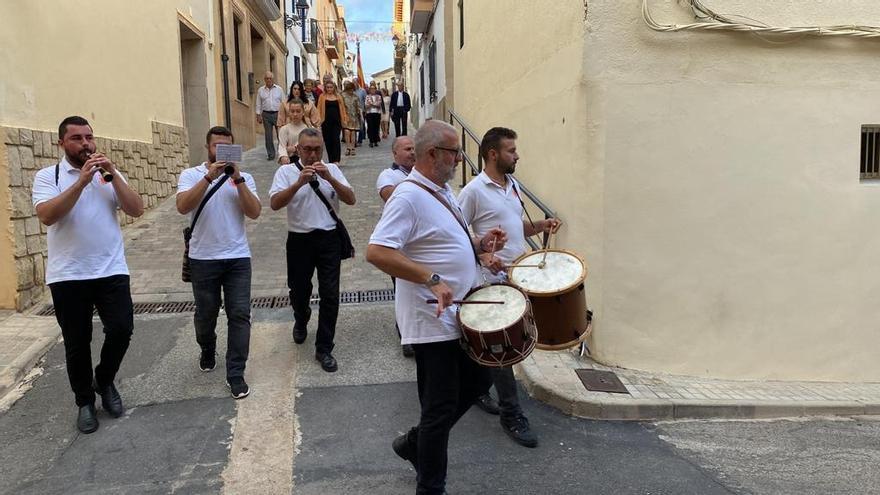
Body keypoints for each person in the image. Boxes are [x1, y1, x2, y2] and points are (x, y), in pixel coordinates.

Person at [366, 120, 507, 495]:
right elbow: (377, 251)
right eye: (455, 153)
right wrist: (431, 278)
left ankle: (416, 443)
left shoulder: (442, 192)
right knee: (439, 408)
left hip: (459, 314)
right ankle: (431, 486)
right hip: (432, 318)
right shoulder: (407, 196)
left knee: (478, 380)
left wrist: (480, 244)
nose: (460, 159)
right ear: (433, 155)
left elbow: (444, 242)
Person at [32, 116, 145, 433]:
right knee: (77, 343)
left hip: (110, 269)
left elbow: (136, 209)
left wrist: (114, 175)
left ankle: (104, 380)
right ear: (61, 143)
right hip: (68, 274)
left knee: (122, 329)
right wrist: (81, 182)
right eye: (77, 138)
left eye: (89, 137)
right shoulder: (48, 176)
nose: (86, 144)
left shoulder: (108, 175)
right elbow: (47, 216)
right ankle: (84, 402)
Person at [458, 127, 561, 448]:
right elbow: (457, 235)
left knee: (499, 347)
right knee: (504, 351)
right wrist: (485, 255)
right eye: (511, 150)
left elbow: (516, 227)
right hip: (492, 282)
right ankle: (511, 413)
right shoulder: (473, 191)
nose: (517, 156)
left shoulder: (512, 185)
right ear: (493, 154)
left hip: (518, 278)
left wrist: (539, 226)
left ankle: (474, 388)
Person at [176, 126, 261, 399]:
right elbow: (183, 206)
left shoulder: (244, 177)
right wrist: (207, 177)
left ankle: (235, 373)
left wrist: (238, 180)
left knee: (239, 314)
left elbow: (255, 212)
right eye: (217, 147)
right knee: (206, 313)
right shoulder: (191, 175)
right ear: (208, 148)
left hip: (237, 257)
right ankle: (207, 346)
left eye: (227, 147)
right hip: (203, 259)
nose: (221, 152)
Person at [269, 128, 356, 373]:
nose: (312, 154)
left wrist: (330, 178)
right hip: (299, 239)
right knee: (298, 290)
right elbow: (275, 204)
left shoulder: (333, 170)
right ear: (297, 149)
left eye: (317, 149)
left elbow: (350, 199)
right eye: (307, 149)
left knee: (330, 294)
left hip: (328, 238)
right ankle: (301, 315)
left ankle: (324, 348)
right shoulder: (285, 172)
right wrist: (298, 183)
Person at [375, 136, 416, 357]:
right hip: (398, 245)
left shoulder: (422, 175)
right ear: (395, 153)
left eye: (414, 148)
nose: (412, 152)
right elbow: (390, 197)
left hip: (419, 244)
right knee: (402, 289)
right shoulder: (388, 175)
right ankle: (406, 334)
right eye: (407, 149)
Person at [316, 80, 349, 163]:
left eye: (331, 87)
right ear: (325, 88)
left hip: (337, 121)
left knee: (336, 139)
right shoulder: (322, 97)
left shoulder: (338, 96)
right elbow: (319, 109)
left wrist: (344, 118)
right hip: (325, 121)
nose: (329, 89)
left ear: (334, 88)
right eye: (327, 87)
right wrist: (318, 120)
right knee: (328, 140)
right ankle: (331, 160)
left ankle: (336, 160)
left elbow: (342, 109)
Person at [255, 71, 285, 160]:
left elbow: (283, 102)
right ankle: (271, 154)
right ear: (264, 79)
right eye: (267, 78)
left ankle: (281, 153)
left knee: (280, 134)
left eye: (270, 78)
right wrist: (258, 115)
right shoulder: (260, 90)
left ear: (273, 79)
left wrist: (284, 115)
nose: (269, 80)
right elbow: (258, 103)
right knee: (268, 136)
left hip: (277, 114)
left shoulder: (279, 89)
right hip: (266, 114)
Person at [277, 101, 311, 165]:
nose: (295, 114)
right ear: (289, 112)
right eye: (292, 111)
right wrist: (283, 156)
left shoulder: (307, 129)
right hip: (289, 160)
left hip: (304, 161)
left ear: (303, 112)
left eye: (298, 111)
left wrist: (295, 148)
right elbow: (282, 145)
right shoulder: (284, 129)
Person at [341, 81, 362, 157]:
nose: (351, 91)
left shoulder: (355, 97)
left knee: (353, 133)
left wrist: (360, 112)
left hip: (354, 117)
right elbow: (341, 106)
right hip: (345, 116)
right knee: (346, 132)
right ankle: (348, 148)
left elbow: (358, 106)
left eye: (352, 89)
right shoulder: (342, 96)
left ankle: (353, 148)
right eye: (349, 89)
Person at [364, 83, 383, 148]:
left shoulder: (379, 96)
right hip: (369, 114)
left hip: (377, 113)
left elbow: (379, 104)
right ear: (369, 90)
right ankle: (371, 141)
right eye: (371, 89)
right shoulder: (367, 96)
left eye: (373, 89)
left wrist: (371, 104)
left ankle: (376, 141)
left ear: (375, 90)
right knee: (370, 127)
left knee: (376, 127)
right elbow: (366, 105)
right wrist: (374, 104)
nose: (372, 90)